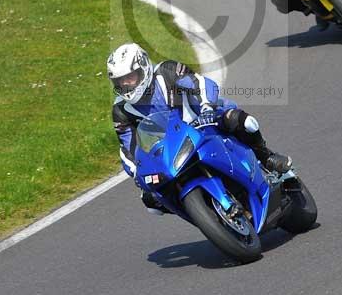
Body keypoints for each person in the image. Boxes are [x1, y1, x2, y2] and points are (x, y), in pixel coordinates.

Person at [108, 42, 292, 213]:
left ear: (144, 68)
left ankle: (266, 157)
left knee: (241, 121)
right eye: (120, 81)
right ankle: (203, 212)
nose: (125, 85)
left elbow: (200, 84)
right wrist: (136, 173)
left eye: (130, 78)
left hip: (203, 121)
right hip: (171, 149)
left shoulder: (167, 71)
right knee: (151, 201)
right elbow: (128, 147)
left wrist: (206, 107)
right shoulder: (121, 110)